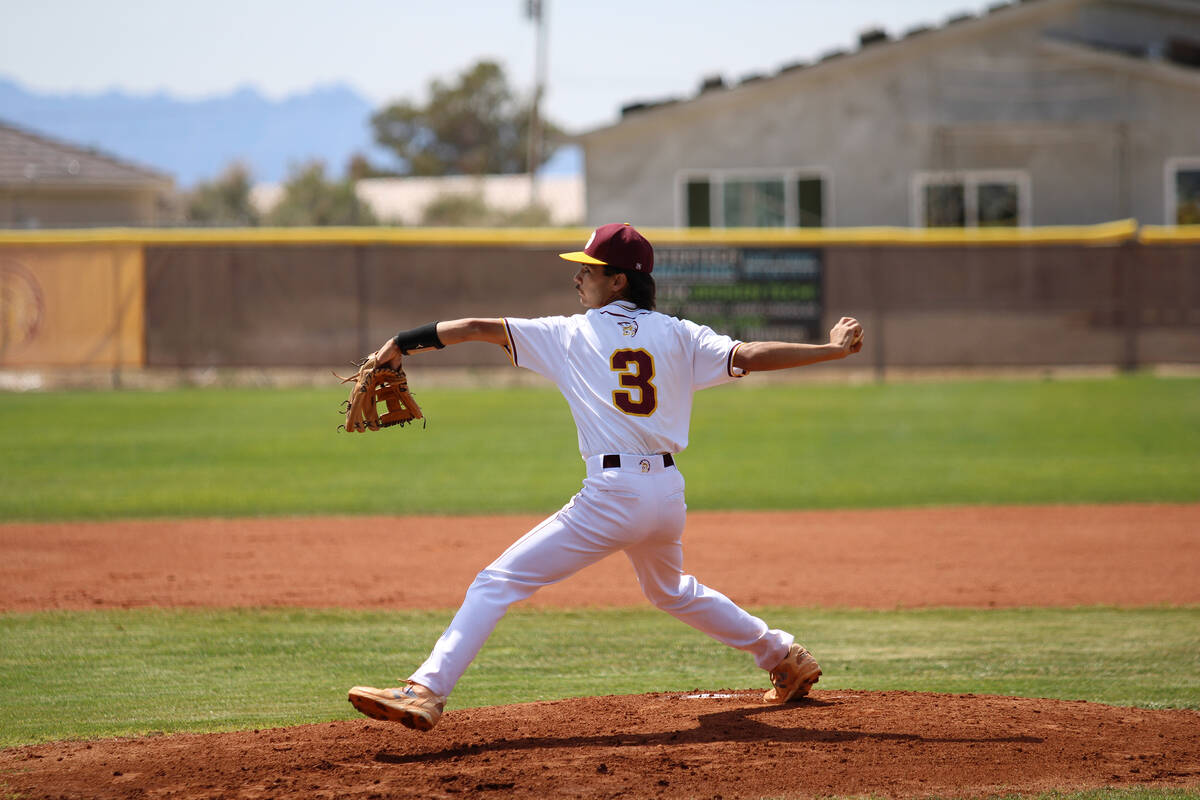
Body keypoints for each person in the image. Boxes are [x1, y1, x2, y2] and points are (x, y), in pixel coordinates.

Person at [348, 223, 864, 731]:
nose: (578, 277)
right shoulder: (680, 333)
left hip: (613, 495)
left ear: (619, 280)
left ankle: (426, 690)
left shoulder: (569, 333)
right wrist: (831, 350)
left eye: (589, 269)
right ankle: (782, 655)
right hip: (667, 495)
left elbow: (475, 328)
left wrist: (401, 343)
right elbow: (747, 355)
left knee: (497, 581)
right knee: (669, 591)